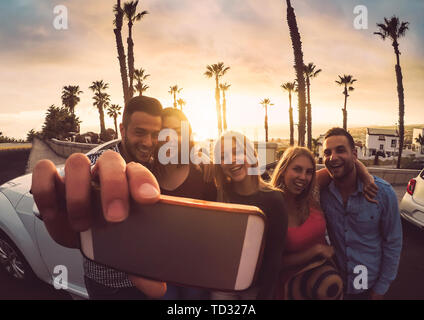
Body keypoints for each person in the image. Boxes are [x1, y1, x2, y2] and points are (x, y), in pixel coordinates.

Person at [31, 96, 167, 299]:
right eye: (140, 133)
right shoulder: (98, 162)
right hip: (109, 286)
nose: (148, 142)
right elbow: (77, 174)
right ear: (122, 130)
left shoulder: (157, 163)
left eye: (154, 134)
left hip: (151, 279)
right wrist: (61, 195)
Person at [320, 127, 402, 300]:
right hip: (335, 284)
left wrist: (380, 288)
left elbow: (393, 243)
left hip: (369, 287)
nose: (333, 157)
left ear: (355, 154)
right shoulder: (323, 193)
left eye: (340, 150)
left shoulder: (383, 193)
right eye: (327, 152)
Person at [212, 131, 288, 300]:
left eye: (237, 152)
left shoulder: (274, 199)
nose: (232, 160)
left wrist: (265, 294)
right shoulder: (220, 194)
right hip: (223, 285)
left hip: (256, 288)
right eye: (223, 156)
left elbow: (275, 255)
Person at [155, 107, 216, 300]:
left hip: (197, 270)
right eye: (165, 131)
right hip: (160, 269)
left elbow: (216, 223)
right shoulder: (148, 173)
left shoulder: (203, 173)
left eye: (178, 131)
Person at [270, 147, 343, 299]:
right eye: (297, 169)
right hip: (293, 285)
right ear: (283, 170)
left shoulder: (312, 193)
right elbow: (271, 263)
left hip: (325, 276)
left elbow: (344, 166)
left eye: (309, 172)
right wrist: (316, 250)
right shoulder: (272, 206)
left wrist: (367, 178)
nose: (303, 177)